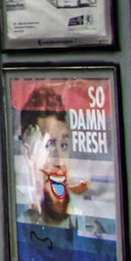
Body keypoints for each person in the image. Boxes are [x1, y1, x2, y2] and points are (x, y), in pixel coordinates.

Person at [16, 87, 104, 235]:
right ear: (29, 154)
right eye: (50, 146)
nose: (60, 162)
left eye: (64, 146)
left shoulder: (91, 231)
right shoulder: (16, 229)